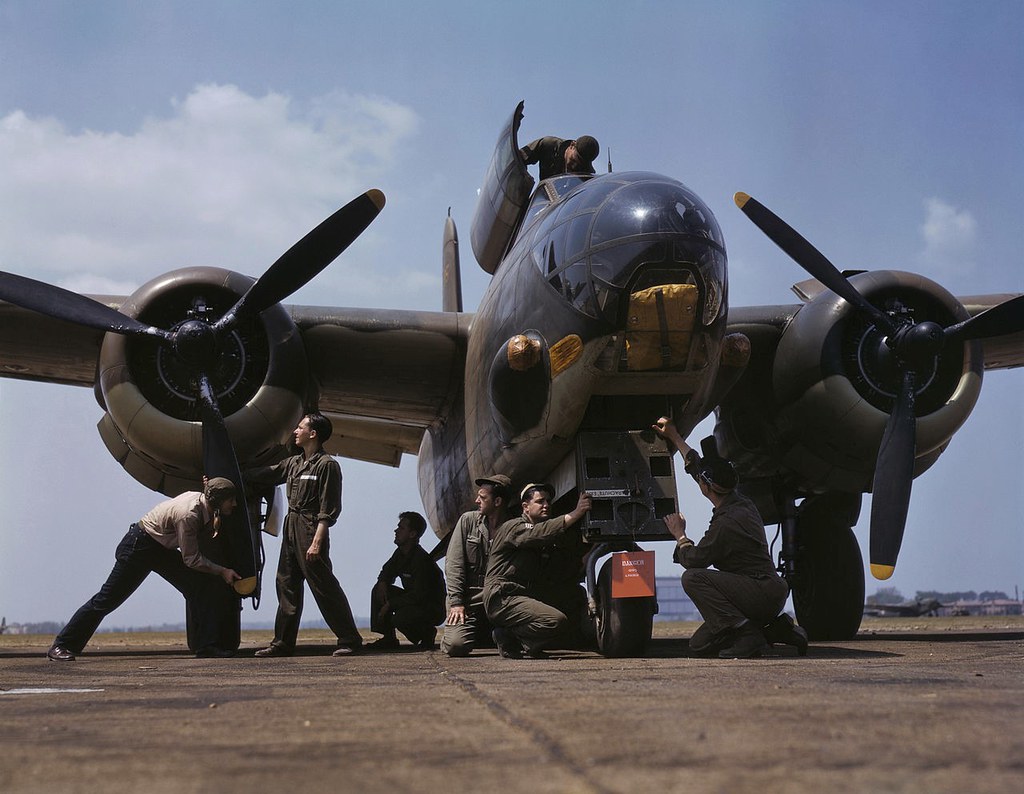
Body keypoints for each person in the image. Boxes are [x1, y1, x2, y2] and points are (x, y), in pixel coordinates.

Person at [653, 417, 806, 658]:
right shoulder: (740, 499)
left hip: (758, 593)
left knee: (692, 578)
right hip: (765, 592)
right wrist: (674, 436)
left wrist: (680, 535)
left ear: (706, 488)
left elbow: (695, 560)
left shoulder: (726, 524)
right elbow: (699, 468)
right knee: (699, 646)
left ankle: (748, 636)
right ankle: (777, 630)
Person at [47, 478, 242, 661]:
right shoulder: (189, 514)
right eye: (230, 500)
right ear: (216, 500)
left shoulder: (205, 503)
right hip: (139, 547)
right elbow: (191, 559)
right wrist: (222, 570)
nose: (234, 505)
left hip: (160, 549)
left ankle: (206, 646)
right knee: (106, 600)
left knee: (200, 586)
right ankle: (62, 645)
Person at [250, 412, 363, 658]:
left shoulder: (327, 465)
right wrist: (230, 474)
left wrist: (317, 542)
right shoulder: (293, 463)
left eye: (300, 428)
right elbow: (266, 474)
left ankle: (350, 639)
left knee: (323, 585)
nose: (295, 431)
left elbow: (328, 508)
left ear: (313, 434)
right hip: (291, 525)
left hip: (311, 528)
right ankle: (282, 643)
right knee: (286, 584)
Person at [483, 484, 592, 659]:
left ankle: (524, 641)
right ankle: (511, 637)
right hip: (503, 596)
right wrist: (576, 513)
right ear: (525, 507)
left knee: (573, 601)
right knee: (555, 621)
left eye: (548, 501)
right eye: (540, 501)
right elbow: (538, 532)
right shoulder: (513, 527)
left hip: (523, 593)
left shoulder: (543, 536)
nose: (546, 505)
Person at [441, 474, 513, 657]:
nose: (476, 500)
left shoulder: (514, 526)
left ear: (497, 501)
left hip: (499, 598)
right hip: (469, 598)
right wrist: (456, 602)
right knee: (456, 646)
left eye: (482, 497)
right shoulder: (468, 521)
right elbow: (454, 564)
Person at [369, 511, 446, 651]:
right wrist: (382, 582)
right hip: (413, 601)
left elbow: (419, 595)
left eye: (401, 528)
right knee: (378, 590)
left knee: (401, 618)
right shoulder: (400, 554)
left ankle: (427, 633)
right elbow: (387, 571)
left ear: (412, 534)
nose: (396, 530)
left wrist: (390, 605)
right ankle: (389, 638)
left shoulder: (421, 561)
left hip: (430, 607)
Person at [520, 135, 600, 180]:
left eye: (580, 165)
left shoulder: (587, 176)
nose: (575, 166)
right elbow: (518, 159)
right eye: (574, 160)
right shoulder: (548, 145)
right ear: (572, 145)